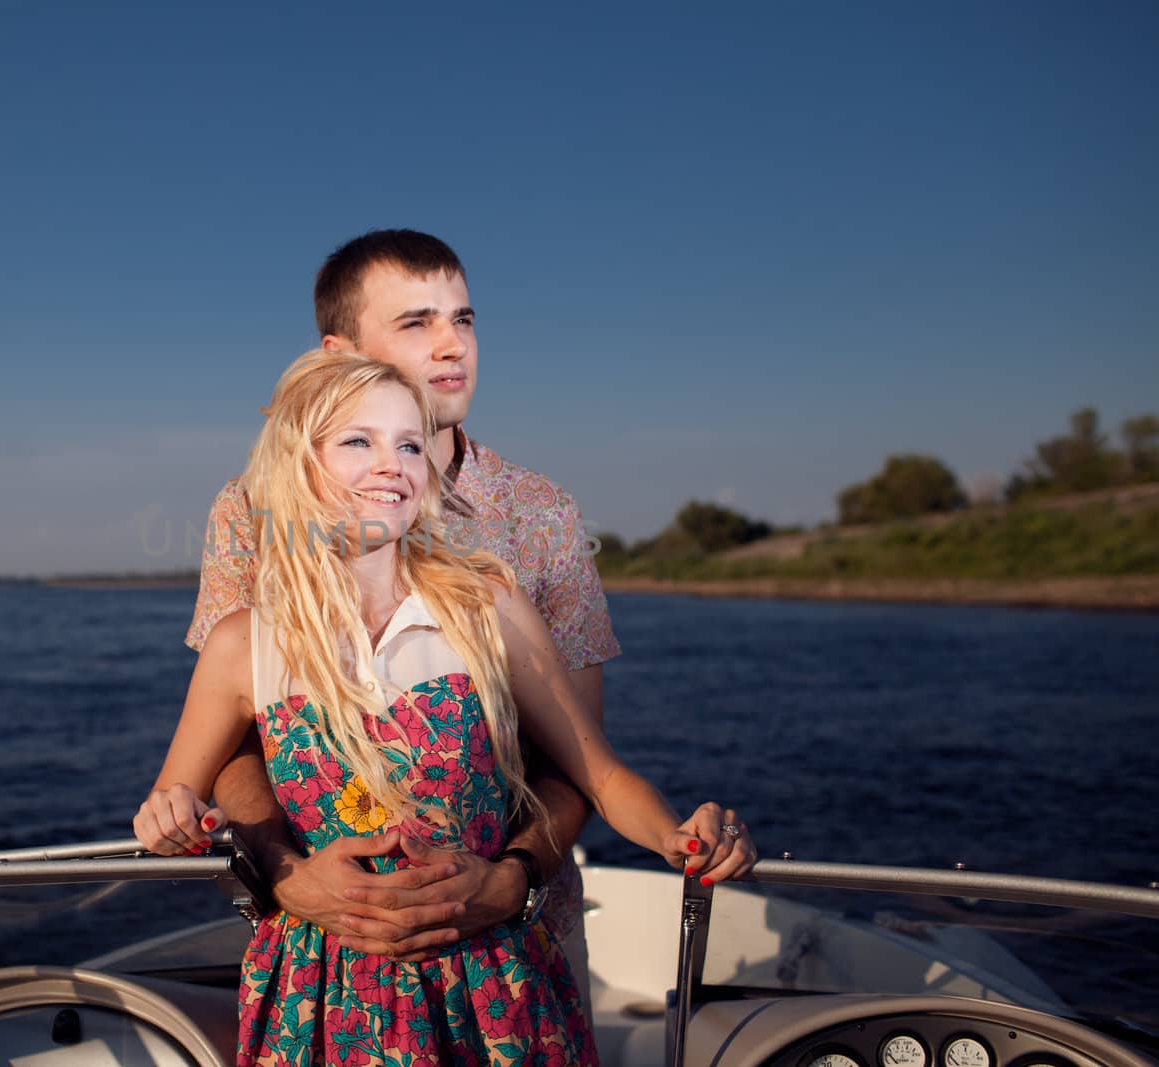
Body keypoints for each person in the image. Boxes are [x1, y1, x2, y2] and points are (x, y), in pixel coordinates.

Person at [136, 350, 756, 1064]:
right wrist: (173, 819)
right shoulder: (243, 644)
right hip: (323, 997)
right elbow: (171, 803)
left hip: (493, 990)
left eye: (409, 443)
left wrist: (681, 837)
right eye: (357, 441)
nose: (392, 462)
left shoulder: (485, 606)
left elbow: (602, 776)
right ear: (300, 463)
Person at [188, 230, 628, 988]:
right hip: (330, 953)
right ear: (336, 354)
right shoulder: (252, 507)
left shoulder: (544, 513)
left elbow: (580, 758)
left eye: (463, 319)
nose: (453, 345)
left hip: (518, 953)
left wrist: (511, 881)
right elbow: (232, 738)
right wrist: (289, 875)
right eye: (416, 322)